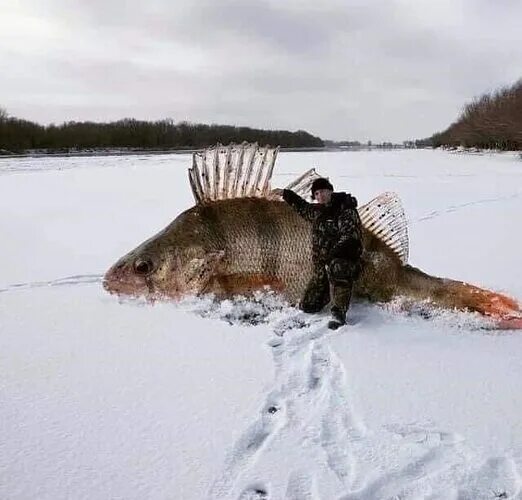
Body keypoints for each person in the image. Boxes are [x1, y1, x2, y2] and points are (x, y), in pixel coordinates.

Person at [274, 178, 363, 330]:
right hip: (323, 267)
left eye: (322, 191)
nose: (320, 195)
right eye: (316, 193)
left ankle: (338, 313)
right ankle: (330, 291)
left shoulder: (344, 209)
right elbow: (302, 207)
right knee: (309, 306)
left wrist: (332, 256)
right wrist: (286, 194)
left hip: (344, 262)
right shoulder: (317, 212)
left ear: (330, 191)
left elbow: (350, 239)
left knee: (337, 267)